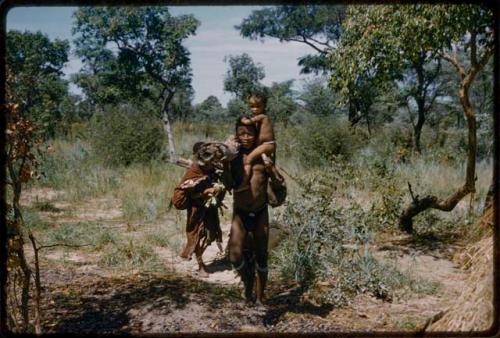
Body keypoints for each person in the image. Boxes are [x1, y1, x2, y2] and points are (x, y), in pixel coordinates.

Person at [225, 117, 284, 305]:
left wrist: (271, 169)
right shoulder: (233, 156)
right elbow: (227, 182)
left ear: (256, 135)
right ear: (236, 134)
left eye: (250, 133)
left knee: (262, 257)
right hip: (240, 212)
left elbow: (277, 182)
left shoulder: (263, 155)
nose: (246, 137)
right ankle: (248, 280)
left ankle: (259, 297)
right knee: (234, 255)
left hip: (260, 212)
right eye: (241, 133)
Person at [171, 142, 225, 277]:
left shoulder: (212, 167)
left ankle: (202, 261)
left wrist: (218, 189)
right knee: (196, 236)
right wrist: (204, 192)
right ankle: (201, 265)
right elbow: (185, 193)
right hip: (196, 209)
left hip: (209, 208)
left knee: (210, 234)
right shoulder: (194, 171)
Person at [235, 92, 276, 192]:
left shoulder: (263, 117)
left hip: (267, 145)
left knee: (248, 160)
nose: (254, 109)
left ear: (264, 106)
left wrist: (243, 118)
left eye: (258, 106)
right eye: (252, 106)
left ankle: (244, 183)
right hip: (265, 145)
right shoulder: (259, 119)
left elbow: (247, 122)